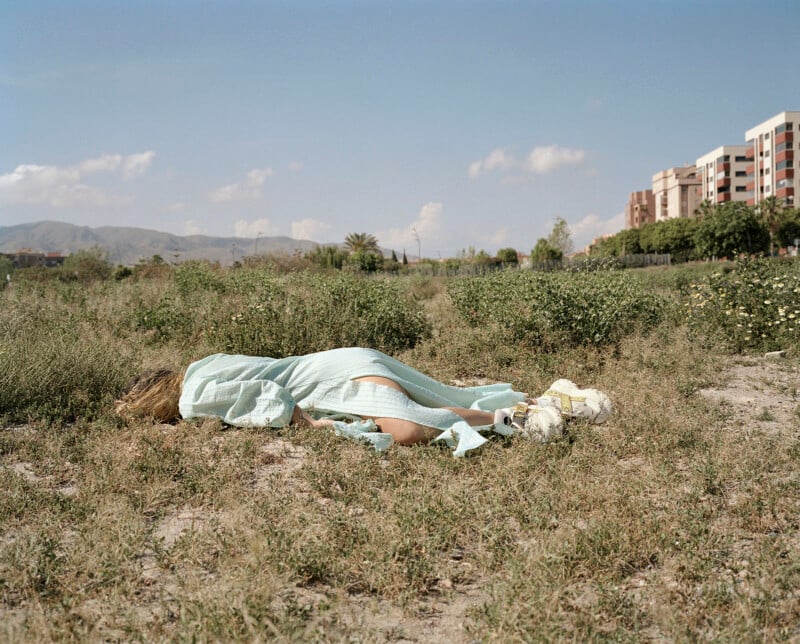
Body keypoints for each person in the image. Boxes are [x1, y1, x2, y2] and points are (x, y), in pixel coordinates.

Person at [115, 347, 611, 457]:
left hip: (338, 378)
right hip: (343, 360)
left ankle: (516, 418)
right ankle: (553, 400)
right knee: (440, 395)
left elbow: (269, 395)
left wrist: (308, 425)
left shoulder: (193, 397)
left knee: (408, 428)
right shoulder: (202, 366)